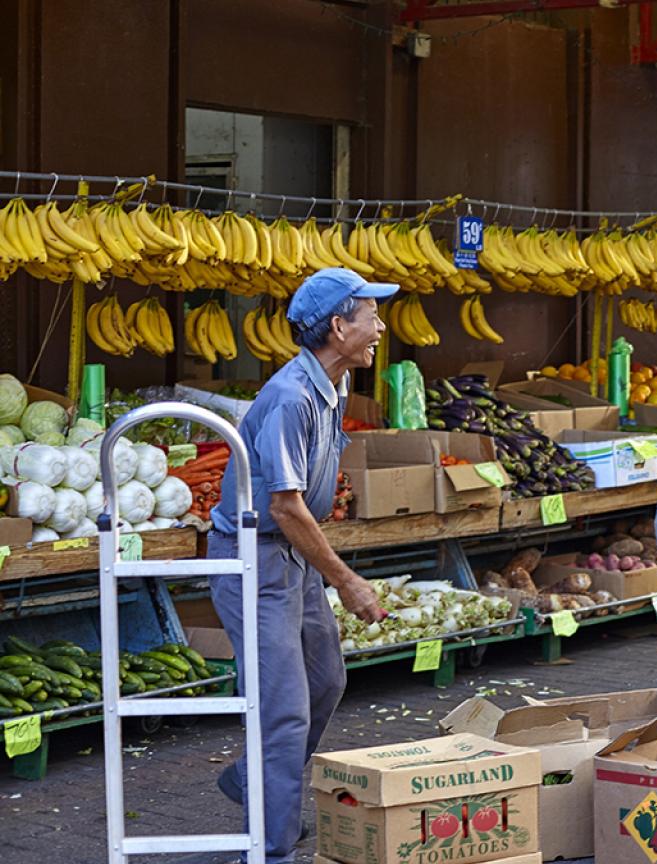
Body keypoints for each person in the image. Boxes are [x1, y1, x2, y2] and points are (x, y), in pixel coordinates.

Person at [207, 267, 394, 862]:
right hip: (256, 561)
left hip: (291, 560)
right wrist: (348, 582)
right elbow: (285, 507)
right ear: (339, 328)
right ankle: (271, 849)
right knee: (284, 708)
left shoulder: (331, 386)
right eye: (371, 317)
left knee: (326, 681)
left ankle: (255, 782)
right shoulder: (291, 396)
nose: (381, 327)